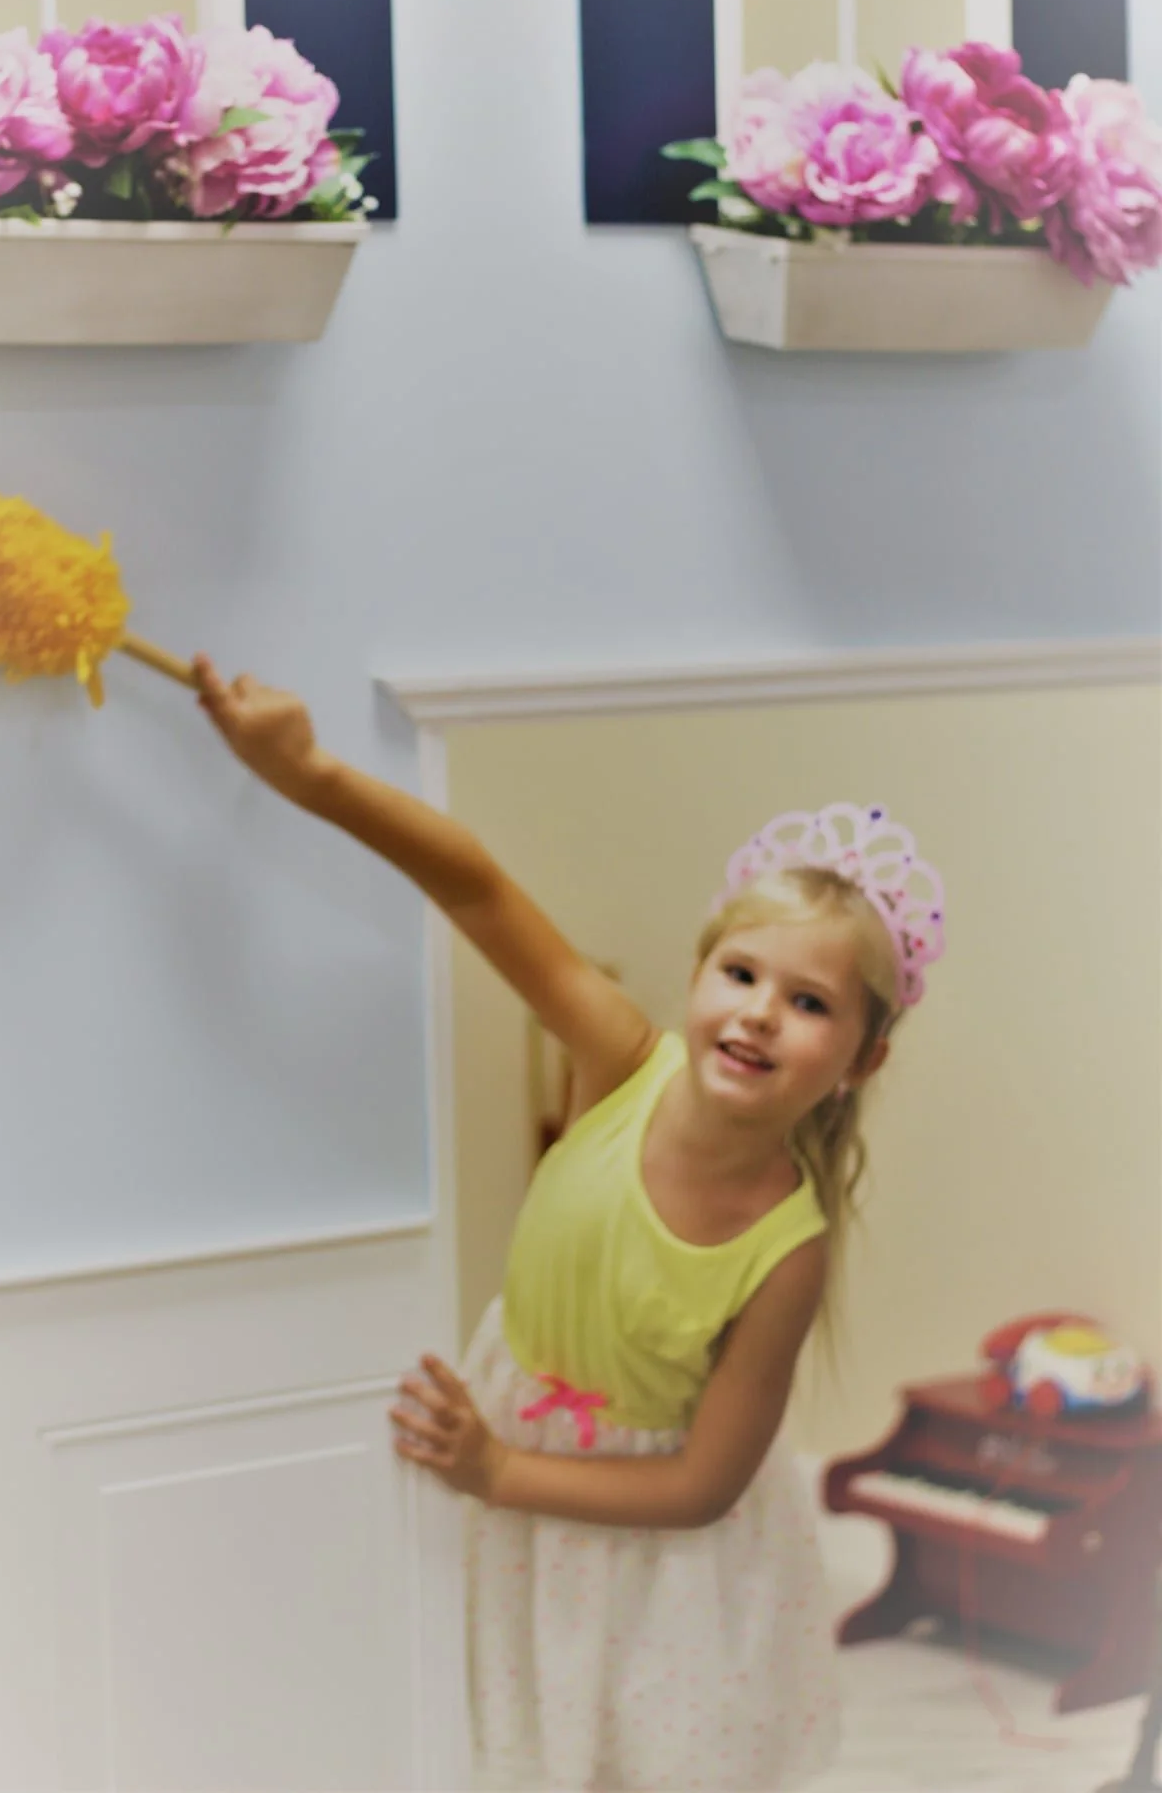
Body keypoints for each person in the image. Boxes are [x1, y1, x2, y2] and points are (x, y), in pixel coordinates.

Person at [194, 657, 946, 1793]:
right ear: (698, 976)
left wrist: (499, 1471)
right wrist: (310, 775)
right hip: (510, 1466)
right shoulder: (621, 1057)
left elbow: (701, 1487)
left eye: (810, 1002)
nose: (758, 1012)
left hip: (655, 1552)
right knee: (508, 1749)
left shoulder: (786, 1251)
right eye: (741, 972)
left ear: (861, 1058)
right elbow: (481, 891)